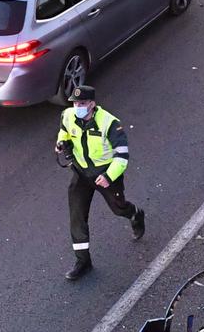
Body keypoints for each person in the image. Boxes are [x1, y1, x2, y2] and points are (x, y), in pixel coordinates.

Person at [55, 83, 144, 281]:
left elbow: (122, 156)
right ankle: (83, 261)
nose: (77, 106)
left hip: (105, 174)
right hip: (81, 173)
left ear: (92, 104)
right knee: (77, 216)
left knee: (118, 208)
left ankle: (135, 215)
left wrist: (108, 176)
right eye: (75, 102)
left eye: (82, 102)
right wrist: (61, 144)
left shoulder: (110, 123)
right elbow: (64, 131)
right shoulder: (68, 115)